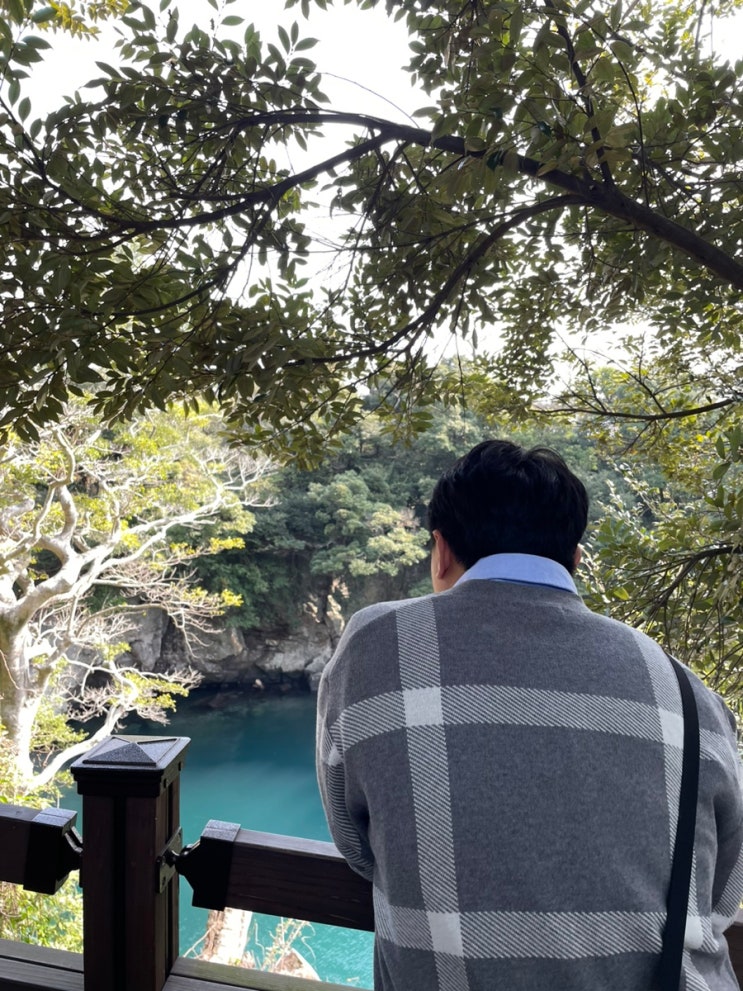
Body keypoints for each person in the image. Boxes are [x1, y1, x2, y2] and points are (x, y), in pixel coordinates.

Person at [316, 439, 743, 991]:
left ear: (440, 551)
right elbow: (721, 891)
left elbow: (356, 844)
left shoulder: (377, 645)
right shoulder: (689, 694)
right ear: (575, 559)